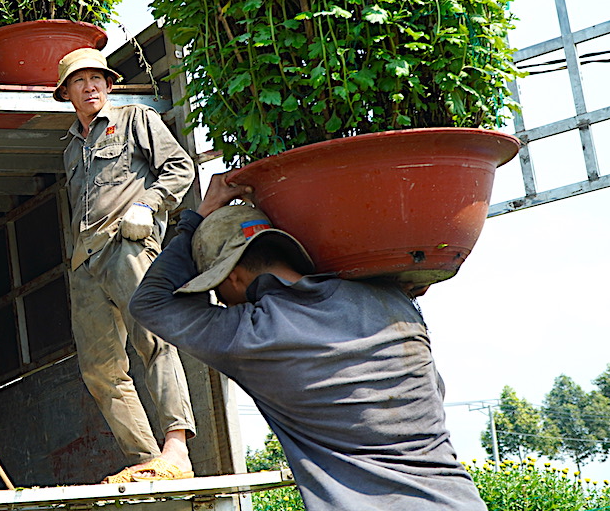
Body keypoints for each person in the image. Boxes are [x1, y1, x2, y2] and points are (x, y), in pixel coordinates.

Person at [129, 172, 487, 511]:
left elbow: (151, 302)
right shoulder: (396, 304)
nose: (221, 302)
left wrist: (199, 215)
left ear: (233, 276)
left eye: (217, 290)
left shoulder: (253, 336)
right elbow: (434, 392)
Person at [53, 48, 198, 483]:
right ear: (66, 93)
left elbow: (179, 168)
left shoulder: (136, 119)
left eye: (98, 78)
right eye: (80, 81)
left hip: (127, 245)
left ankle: (177, 449)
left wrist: (146, 205)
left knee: (154, 341)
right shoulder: (70, 149)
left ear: (109, 85)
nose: (91, 85)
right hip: (85, 259)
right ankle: (148, 458)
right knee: (99, 368)